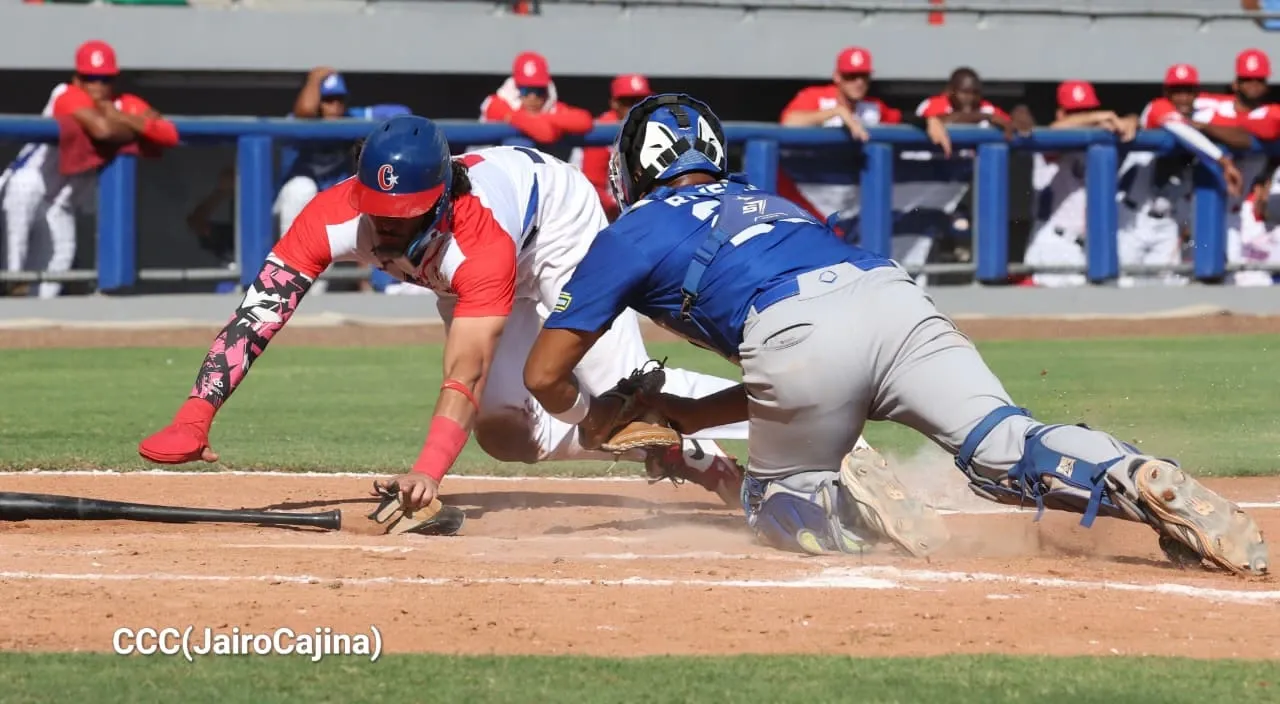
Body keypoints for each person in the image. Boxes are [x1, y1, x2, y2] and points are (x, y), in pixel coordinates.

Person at [521, 93, 1269, 575]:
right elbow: (783, 374)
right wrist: (684, 413)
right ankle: (1132, 474)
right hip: (891, 298)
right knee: (1005, 448)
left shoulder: (632, 230)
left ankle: (848, 500)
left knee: (780, 510)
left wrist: (591, 418)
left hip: (795, 338)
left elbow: (542, 376)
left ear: (633, 167)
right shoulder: (767, 204)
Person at [136, 115, 758, 510]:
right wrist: (195, 415)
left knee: (621, 389)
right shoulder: (331, 215)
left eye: (402, 220)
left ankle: (781, 405)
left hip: (556, 227)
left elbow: (467, 370)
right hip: (495, 248)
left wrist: (428, 471)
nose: (383, 232)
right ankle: (678, 452)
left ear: (440, 205)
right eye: (376, 214)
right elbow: (259, 313)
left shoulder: (477, 245)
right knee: (506, 434)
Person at [1, 39, 178, 298]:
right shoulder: (65, 94)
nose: (98, 86)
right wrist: (136, 124)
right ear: (78, 79)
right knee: (14, 252)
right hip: (25, 185)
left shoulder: (123, 103)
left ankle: (31, 315)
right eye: (91, 78)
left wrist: (118, 116)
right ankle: (9, 281)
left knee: (55, 271)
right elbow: (102, 130)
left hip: (59, 202)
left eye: (105, 79)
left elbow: (169, 134)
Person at [1120, 64, 1251, 287]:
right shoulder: (1157, 107)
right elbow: (1179, 128)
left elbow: (1246, 134)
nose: (1182, 97)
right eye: (1176, 91)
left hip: (1168, 222)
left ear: (1196, 94)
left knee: (1164, 291)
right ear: (1166, 92)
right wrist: (1222, 160)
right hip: (1132, 217)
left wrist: (1208, 128)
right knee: (1119, 288)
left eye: (1188, 91)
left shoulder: (1200, 119)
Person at [1023, 80, 1138, 288]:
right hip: (1055, 244)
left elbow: (1131, 126)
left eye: (1087, 111)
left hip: (1087, 246)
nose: (1084, 118)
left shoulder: (1098, 146)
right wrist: (1099, 117)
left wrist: (1131, 120)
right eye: (1075, 112)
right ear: (1061, 114)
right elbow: (1054, 130)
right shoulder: (1049, 143)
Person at [579, 73, 654, 221]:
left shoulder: (654, 126)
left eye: (642, 101)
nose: (637, 107)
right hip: (608, 213)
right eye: (629, 102)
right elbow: (592, 186)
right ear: (615, 103)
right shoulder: (601, 131)